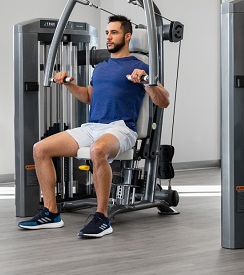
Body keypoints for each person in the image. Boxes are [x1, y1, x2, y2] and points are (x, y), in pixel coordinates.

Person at [18, 15, 170, 238]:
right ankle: (51, 213)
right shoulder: (100, 68)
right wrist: (70, 84)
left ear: (127, 36)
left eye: (114, 32)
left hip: (121, 128)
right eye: (107, 32)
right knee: (40, 149)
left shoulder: (140, 66)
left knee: (97, 150)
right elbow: (88, 97)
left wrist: (147, 80)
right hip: (92, 126)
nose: (108, 37)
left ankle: (102, 217)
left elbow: (163, 101)